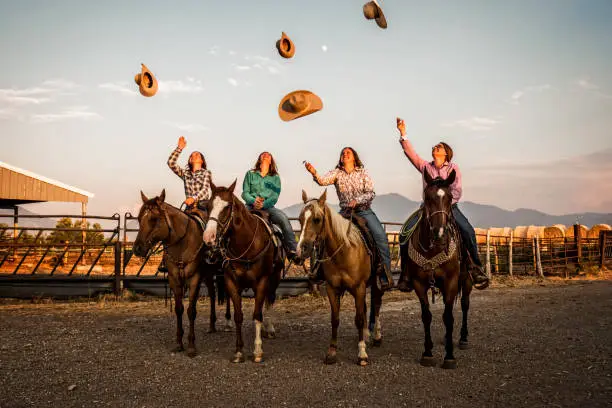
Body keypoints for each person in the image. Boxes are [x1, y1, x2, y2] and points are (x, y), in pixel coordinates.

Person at [396, 117, 489, 290]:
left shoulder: (453, 168)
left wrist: (444, 205)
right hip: (428, 209)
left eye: (438, 147)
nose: (435, 148)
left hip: (449, 208)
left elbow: (457, 190)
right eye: (434, 147)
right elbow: (412, 154)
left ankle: (476, 267)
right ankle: (406, 274)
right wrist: (403, 133)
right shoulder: (425, 167)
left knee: (467, 230)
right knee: (405, 233)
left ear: (446, 153)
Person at [304, 147, 394, 291]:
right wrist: (314, 172)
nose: (345, 154)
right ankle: (319, 269)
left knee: (380, 236)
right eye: (343, 153)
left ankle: (385, 274)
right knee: (324, 235)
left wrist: (357, 200)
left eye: (348, 153)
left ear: (354, 157)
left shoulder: (363, 173)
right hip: (345, 212)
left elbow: (371, 193)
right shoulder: (337, 173)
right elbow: (322, 181)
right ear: (341, 159)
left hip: (363, 211)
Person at [242, 151, 302, 265]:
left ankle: (292, 251)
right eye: (263, 154)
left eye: (268, 155)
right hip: (250, 205)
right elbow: (245, 193)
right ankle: (224, 252)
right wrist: (253, 201)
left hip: (268, 207)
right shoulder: (250, 174)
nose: (265, 155)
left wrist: (263, 205)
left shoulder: (275, 177)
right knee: (236, 219)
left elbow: (274, 196)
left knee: (283, 218)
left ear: (271, 161)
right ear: (259, 159)